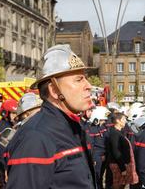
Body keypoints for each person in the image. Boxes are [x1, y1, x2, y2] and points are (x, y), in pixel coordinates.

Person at [5, 45, 96, 189]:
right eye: (79, 80)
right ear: (54, 90)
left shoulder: (74, 128)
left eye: (85, 78)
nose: (88, 85)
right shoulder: (35, 138)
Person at [108, 112, 138, 189]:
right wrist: (123, 169)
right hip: (118, 166)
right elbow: (116, 152)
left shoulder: (119, 132)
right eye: (124, 119)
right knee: (118, 186)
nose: (125, 121)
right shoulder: (114, 133)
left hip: (122, 164)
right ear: (118, 121)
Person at [0, 99, 17, 189]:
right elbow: (0, 151)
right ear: (5, 113)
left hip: (10, 164)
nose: (15, 115)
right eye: (13, 113)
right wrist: (6, 169)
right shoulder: (2, 127)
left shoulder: (11, 124)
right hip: (4, 165)